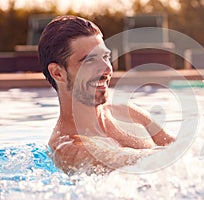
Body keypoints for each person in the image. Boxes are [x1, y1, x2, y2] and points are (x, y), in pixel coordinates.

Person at [38, 15, 175, 175]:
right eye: (89, 61)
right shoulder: (68, 148)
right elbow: (146, 164)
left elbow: (179, 150)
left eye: (105, 57)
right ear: (58, 73)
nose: (106, 69)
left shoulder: (128, 113)